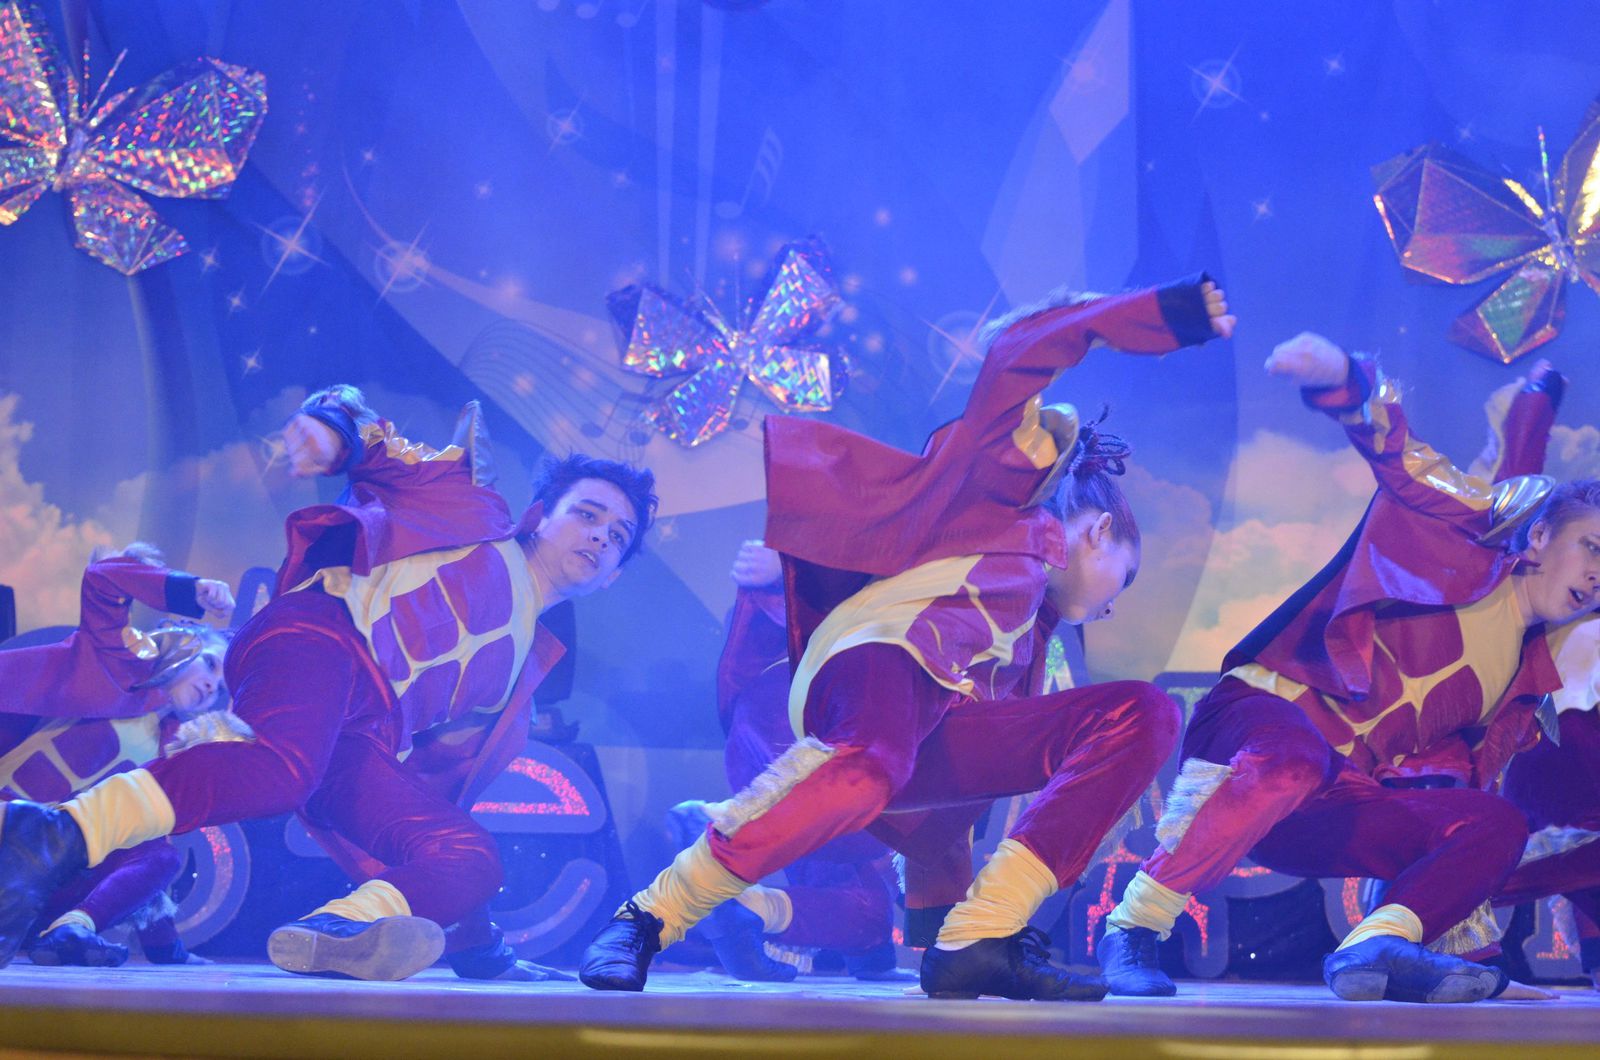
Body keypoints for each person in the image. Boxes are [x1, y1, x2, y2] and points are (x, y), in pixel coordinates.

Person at [580, 274, 1235, 1000]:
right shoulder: (1006, 487)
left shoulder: (1026, 635)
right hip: (881, 663)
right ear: (1103, 531)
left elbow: (955, 809)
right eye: (1125, 580)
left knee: (1144, 713)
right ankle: (650, 916)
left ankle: (979, 935)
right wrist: (1160, 312)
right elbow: (1016, 354)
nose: (1110, 609)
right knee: (871, 764)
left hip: (928, 730)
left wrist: (941, 912)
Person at [0, 387, 657, 983]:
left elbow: (428, 791)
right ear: (541, 514)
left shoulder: (519, 676)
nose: (599, 536)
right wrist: (335, 427)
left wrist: (476, 944)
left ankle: (342, 926)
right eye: (587, 514)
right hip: (320, 635)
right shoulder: (478, 515)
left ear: (614, 576)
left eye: (617, 536)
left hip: (361, 729)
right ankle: (52, 833)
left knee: (472, 853)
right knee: (277, 771)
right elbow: (387, 453)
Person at [1098, 332, 1589, 1004]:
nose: (1598, 573)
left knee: (1494, 821)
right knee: (1293, 760)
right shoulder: (1468, 539)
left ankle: (1379, 944)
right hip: (1253, 730)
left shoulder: (1519, 688)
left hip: (1326, 803)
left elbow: (1443, 798)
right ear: (1539, 535)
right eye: (1593, 546)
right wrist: (1347, 383)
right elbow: (1405, 462)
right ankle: (1134, 925)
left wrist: (1480, 964)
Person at [667, 540, 913, 982]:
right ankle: (719, 825)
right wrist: (787, 571)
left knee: (871, 920)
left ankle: (747, 909)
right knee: (863, 823)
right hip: (802, 702)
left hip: (800, 713)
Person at [0, 544, 237, 967]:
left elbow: (145, 852)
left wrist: (166, 950)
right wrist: (191, 590)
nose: (211, 687)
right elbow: (101, 580)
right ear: (182, 644)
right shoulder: (111, 665)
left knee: (159, 852)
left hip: (36, 888)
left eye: (220, 689)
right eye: (210, 665)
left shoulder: (170, 749)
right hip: (5, 830)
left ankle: (71, 929)